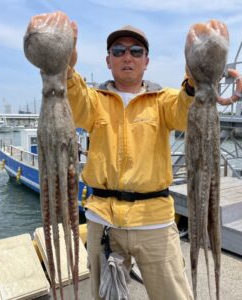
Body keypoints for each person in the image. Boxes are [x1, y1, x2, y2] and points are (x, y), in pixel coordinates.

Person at [66, 22, 194, 300]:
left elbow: (185, 111)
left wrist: (195, 78)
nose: (128, 56)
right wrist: (65, 63)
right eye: (119, 50)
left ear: (146, 61)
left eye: (136, 51)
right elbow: (73, 99)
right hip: (103, 221)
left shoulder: (164, 100)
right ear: (108, 60)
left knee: (174, 294)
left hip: (154, 220)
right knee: (105, 294)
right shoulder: (94, 100)